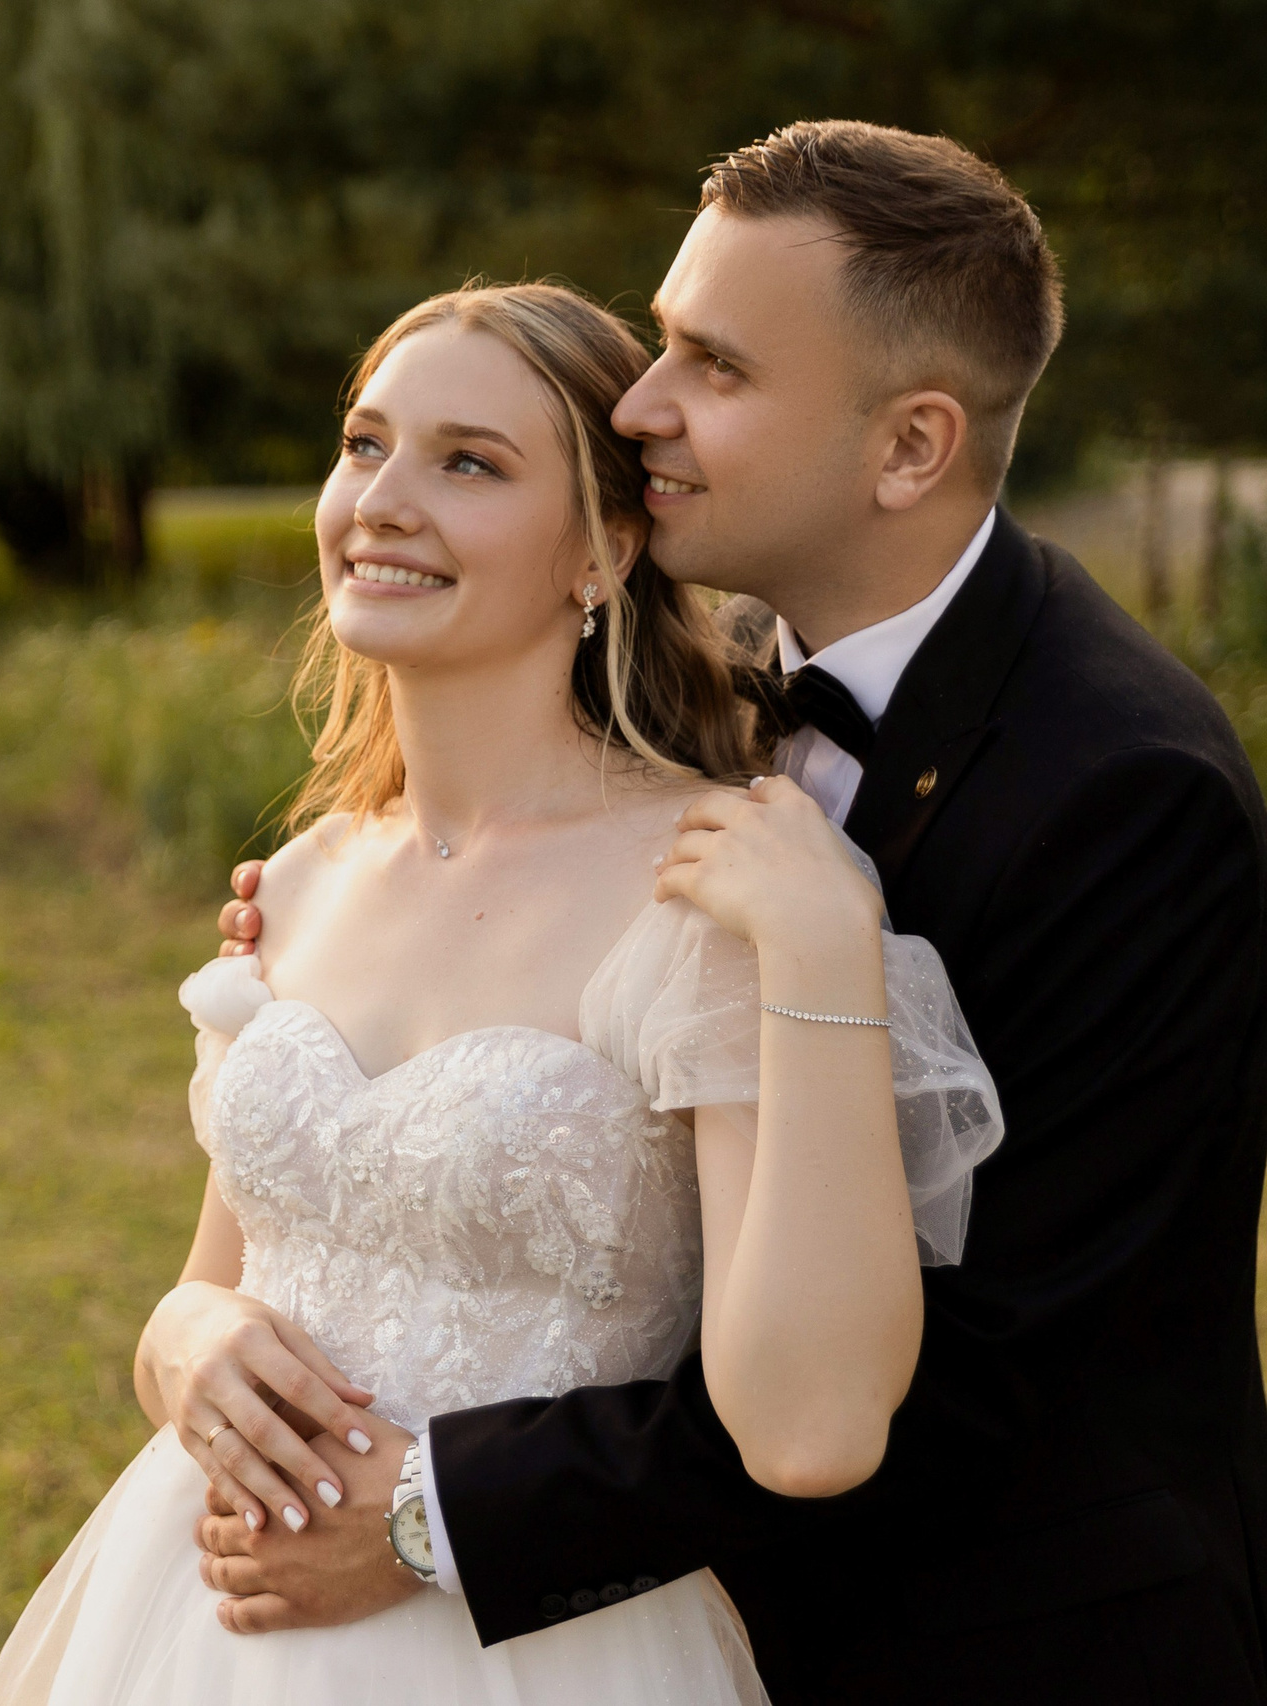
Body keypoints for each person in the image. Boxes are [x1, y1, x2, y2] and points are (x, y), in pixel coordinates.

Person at [199, 122, 1267, 1703]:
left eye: (712, 364)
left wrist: (435, 1512)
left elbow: (982, 1372)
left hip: (1001, 1635)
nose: (638, 405)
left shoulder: (1129, 793)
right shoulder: (728, 683)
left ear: (909, 447)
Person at [0, 276, 1006, 1704]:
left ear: (602, 552)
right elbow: (216, 1278)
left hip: (545, 1649)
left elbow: (812, 1425)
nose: (385, 499)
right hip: (199, 1626)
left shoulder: (715, 887)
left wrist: (818, 959)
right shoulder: (302, 879)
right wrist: (183, 1340)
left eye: (470, 461)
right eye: (364, 444)